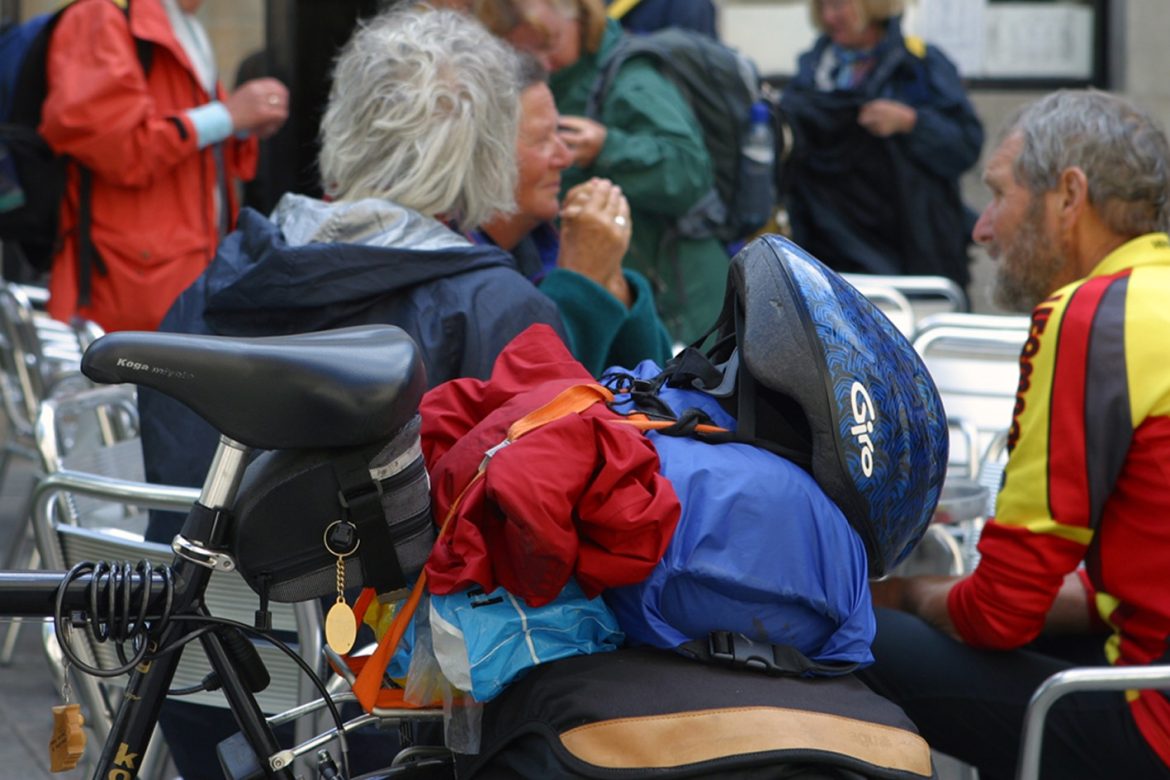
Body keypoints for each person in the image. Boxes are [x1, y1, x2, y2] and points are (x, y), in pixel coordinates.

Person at [137, 7, 565, 773]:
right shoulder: (495, 311)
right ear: (486, 149)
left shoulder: (217, 286)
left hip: (202, 693)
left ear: (344, 123)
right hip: (394, 721)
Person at [860, 90, 1170, 780]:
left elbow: (1003, 612)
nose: (983, 228)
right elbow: (1140, 581)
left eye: (998, 194)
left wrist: (909, 595)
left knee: (858, 635)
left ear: (1068, 196)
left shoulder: (1095, 317)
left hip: (1156, 728)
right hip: (1149, 664)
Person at [475, 0, 730, 346]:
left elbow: (691, 170)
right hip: (616, 289)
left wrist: (608, 149)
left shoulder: (632, 80)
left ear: (580, 19)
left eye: (548, 45)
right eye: (522, 49)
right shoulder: (555, 81)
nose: (540, 62)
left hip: (680, 298)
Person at [38, 0, 288, 333]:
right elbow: (119, 148)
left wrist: (242, 125)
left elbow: (192, 154)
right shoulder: (101, 16)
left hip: (175, 280)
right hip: (122, 292)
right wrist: (228, 116)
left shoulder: (182, 26)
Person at [469, 57, 672, 376]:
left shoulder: (541, 246)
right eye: (542, 139)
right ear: (479, 154)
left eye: (559, 134)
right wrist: (582, 283)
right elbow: (526, 407)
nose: (565, 157)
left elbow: (658, 389)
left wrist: (615, 285)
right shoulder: (455, 285)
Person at [780, 0, 982, 288]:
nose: (828, 17)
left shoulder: (919, 66)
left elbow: (965, 145)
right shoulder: (813, 70)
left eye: (838, 6)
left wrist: (911, 122)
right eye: (821, 7)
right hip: (828, 251)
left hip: (910, 249)